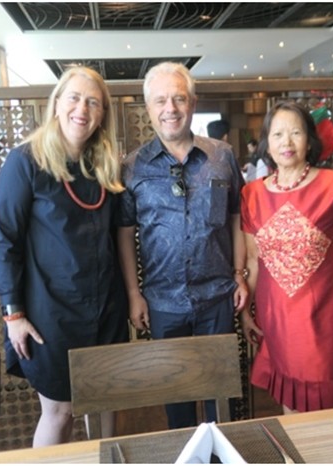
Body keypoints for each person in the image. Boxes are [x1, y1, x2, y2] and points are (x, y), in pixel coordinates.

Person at [0, 66, 128, 446]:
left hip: (106, 307)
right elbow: (4, 242)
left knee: (106, 404)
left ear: (102, 116)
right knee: (60, 412)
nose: (81, 108)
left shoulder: (103, 165)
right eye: (74, 97)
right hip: (50, 313)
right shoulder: (26, 162)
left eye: (93, 102)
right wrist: (13, 315)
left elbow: (117, 237)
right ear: (57, 103)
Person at [117, 61, 248, 429]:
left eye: (178, 98)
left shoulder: (221, 155)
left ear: (192, 103)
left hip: (217, 296)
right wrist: (133, 293)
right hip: (162, 302)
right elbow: (125, 233)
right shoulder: (132, 167)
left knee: (220, 397)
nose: (169, 109)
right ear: (149, 109)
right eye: (160, 100)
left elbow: (237, 218)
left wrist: (239, 274)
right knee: (176, 397)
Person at [239, 101, 333, 413]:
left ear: (309, 140)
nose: (287, 142)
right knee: (288, 403)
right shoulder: (252, 194)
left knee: (324, 409)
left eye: (296, 132)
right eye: (278, 134)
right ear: (266, 144)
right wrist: (246, 313)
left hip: (323, 318)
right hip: (275, 318)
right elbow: (254, 261)